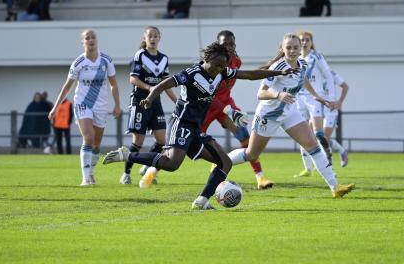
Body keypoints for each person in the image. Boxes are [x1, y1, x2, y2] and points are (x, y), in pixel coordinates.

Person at [102, 42, 298, 210]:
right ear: (207, 59)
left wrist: (279, 71)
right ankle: (127, 155)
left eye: (223, 66)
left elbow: (250, 74)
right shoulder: (192, 73)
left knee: (225, 162)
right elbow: (163, 84)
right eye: (216, 65)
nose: (219, 69)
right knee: (172, 164)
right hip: (182, 122)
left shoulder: (223, 72)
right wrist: (150, 98)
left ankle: (202, 200)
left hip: (196, 128)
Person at [227, 33, 355, 198]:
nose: (293, 51)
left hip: (288, 111)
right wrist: (278, 95)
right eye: (289, 48)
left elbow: (303, 80)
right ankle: (222, 163)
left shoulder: (302, 63)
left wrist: (315, 95)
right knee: (251, 154)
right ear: (283, 48)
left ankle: (335, 187)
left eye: (296, 47)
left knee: (312, 145)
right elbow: (261, 93)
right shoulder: (278, 67)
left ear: (300, 49)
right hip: (269, 115)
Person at [200, 30, 274, 190]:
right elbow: (208, 94)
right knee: (185, 143)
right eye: (224, 44)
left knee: (245, 138)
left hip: (226, 105)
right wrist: (228, 110)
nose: (229, 47)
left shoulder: (236, 61)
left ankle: (260, 178)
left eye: (231, 44)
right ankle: (152, 169)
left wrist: (272, 63)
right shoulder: (211, 65)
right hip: (207, 106)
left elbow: (248, 74)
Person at [48, 29, 121, 186]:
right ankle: (85, 177)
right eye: (87, 38)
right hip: (83, 103)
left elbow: (113, 84)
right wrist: (55, 108)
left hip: (101, 105)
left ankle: (92, 172)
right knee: (88, 137)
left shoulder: (106, 60)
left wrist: (117, 105)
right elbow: (67, 87)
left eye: (93, 37)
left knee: (96, 144)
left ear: (97, 40)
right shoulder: (79, 63)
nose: (91, 40)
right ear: (83, 42)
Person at [119, 26, 177, 185]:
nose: (152, 38)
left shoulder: (164, 58)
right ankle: (126, 173)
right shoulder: (140, 55)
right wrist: (150, 87)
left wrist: (178, 102)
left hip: (155, 102)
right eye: (150, 36)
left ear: (160, 38)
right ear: (144, 38)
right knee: (138, 141)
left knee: (162, 140)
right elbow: (133, 79)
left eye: (155, 36)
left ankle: (146, 166)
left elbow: (166, 84)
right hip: (140, 101)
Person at [293, 31, 335, 177]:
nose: (304, 43)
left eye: (307, 40)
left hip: (314, 99)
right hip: (299, 99)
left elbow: (328, 74)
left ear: (311, 42)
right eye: (302, 40)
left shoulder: (316, 56)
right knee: (302, 134)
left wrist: (331, 97)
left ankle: (328, 164)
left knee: (318, 133)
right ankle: (308, 169)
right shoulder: (296, 58)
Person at [295, 69, 349, 176]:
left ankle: (333, 163)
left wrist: (339, 101)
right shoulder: (309, 74)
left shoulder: (331, 73)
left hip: (330, 110)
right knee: (308, 135)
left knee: (324, 138)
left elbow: (345, 86)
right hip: (316, 106)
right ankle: (308, 169)